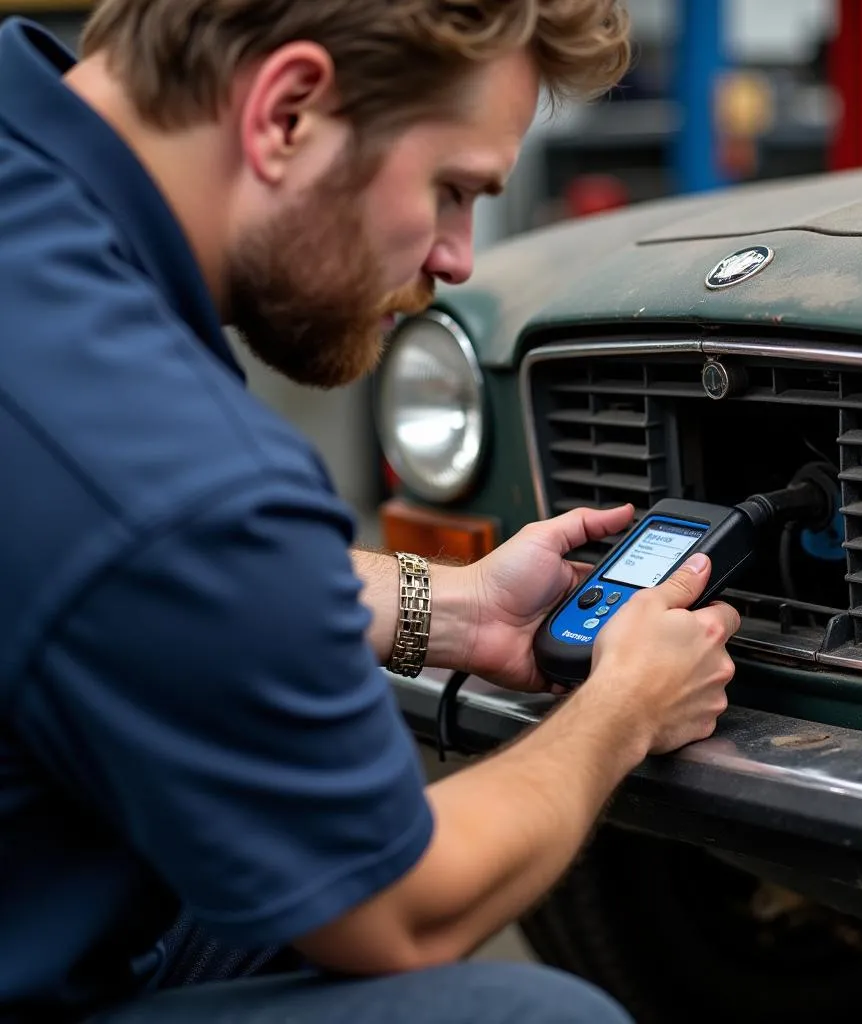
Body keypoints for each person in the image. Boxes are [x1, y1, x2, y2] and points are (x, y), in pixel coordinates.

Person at [0, 3, 741, 1022]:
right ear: (289, 112)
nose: (457, 259)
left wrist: (457, 610)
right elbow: (399, 911)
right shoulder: (159, 453)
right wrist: (621, 711)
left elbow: (133, 571)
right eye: (452, 188)